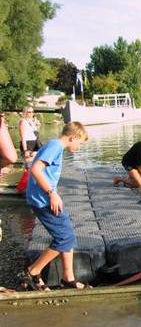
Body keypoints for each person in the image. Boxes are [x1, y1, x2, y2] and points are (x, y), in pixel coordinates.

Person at [21, 122, 90, 290]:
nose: (79, 147)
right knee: (65, 238)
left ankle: (68, 278)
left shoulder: (55, 147)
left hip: (46, 197)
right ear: (73, 137)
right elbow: (36, 170)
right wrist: (52, 193)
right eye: (80, 143)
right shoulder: (54, 146)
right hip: (43, 199)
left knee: (67, 234)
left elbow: (45, 172)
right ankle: (33, 271)